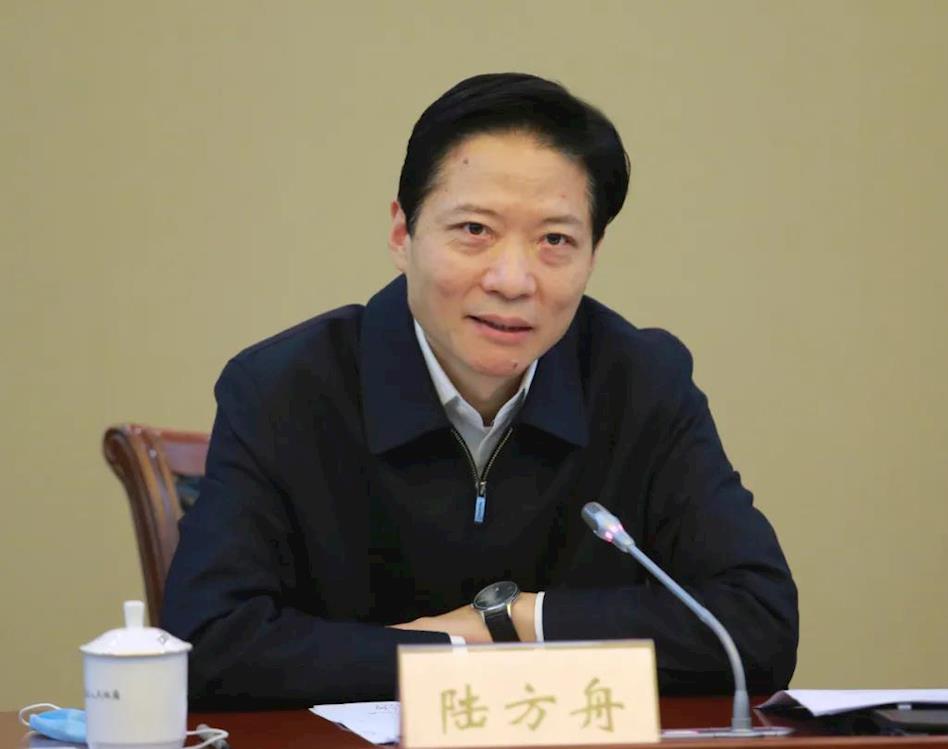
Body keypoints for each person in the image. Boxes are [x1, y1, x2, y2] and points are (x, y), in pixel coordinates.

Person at [162, 72, 798, 708]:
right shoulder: (285, 390)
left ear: (594, 253)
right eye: (474, 230)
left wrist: (511, 619)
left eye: (555, 240)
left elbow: (758, 627)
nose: (512, 280)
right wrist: (451, 653)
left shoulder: (642, 383)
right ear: (402, 234)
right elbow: (209, 645)